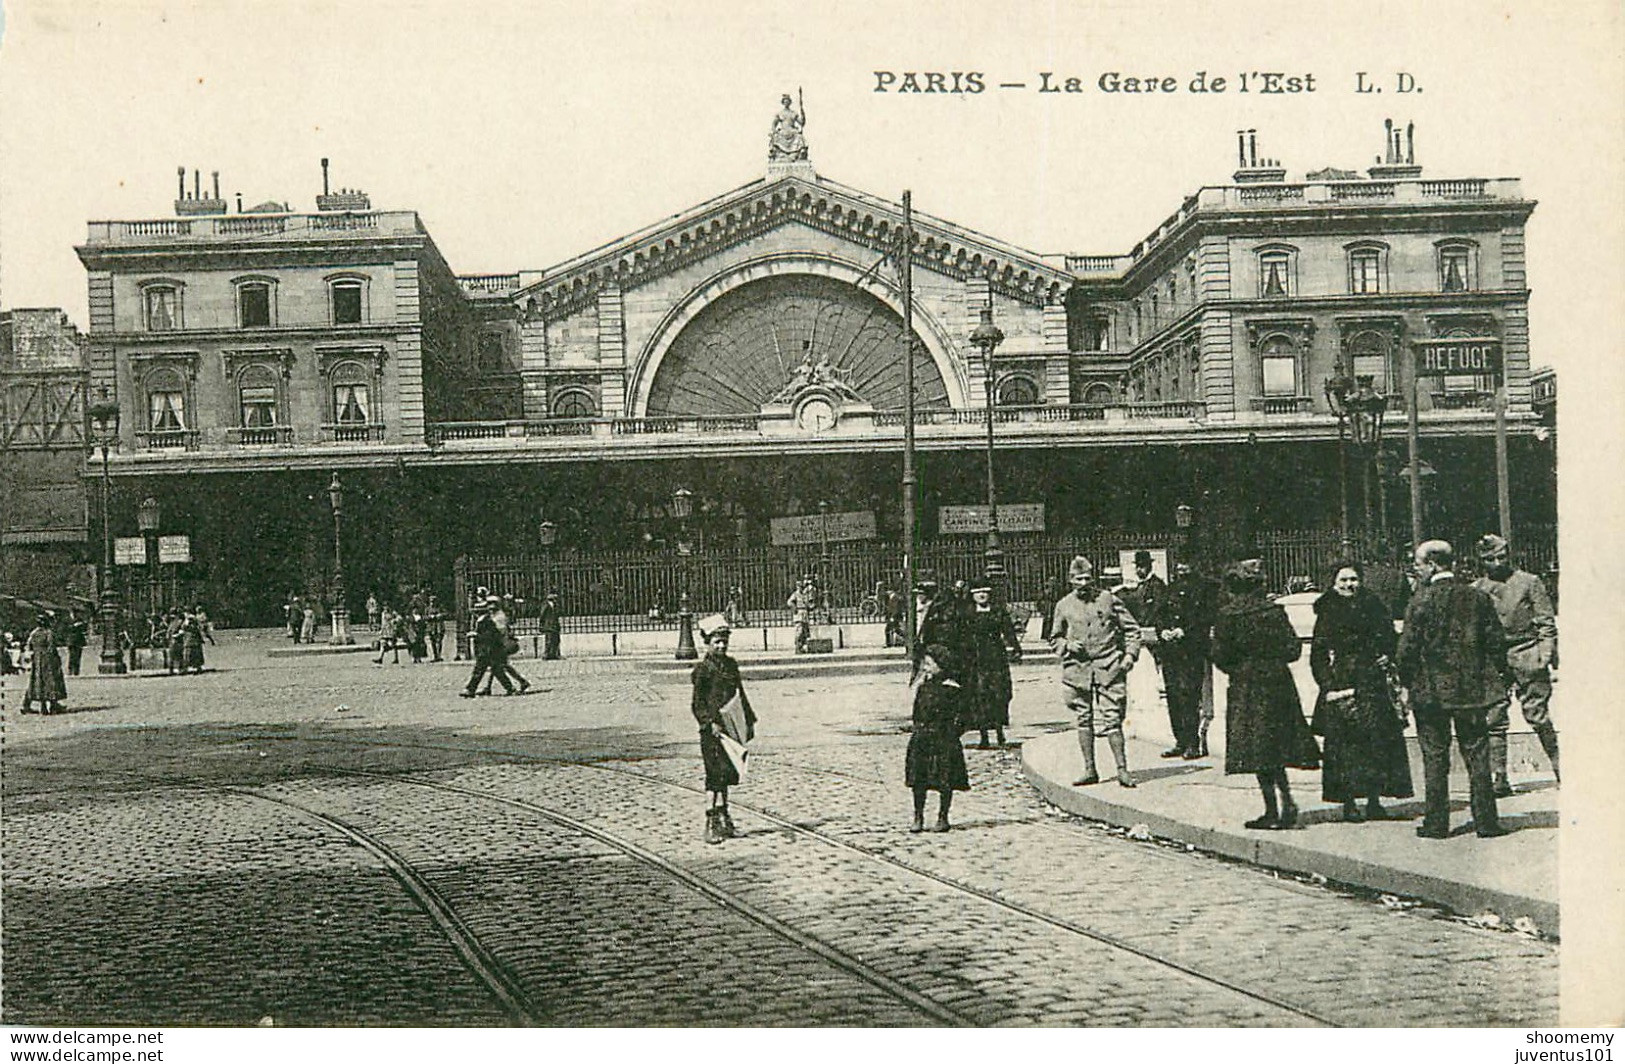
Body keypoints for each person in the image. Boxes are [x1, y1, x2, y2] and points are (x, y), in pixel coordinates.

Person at [1396, 540, 1509, 839]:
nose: (1416, 570)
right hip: (1471, 691)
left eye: (1418, 564)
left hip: (1430, 693)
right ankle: (1486, 822)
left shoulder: (1420, 600)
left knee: (1435, 757)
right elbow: (1496, 643)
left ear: (1433, 564)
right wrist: (1499, 679)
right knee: (1477, 754)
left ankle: (1436, 824)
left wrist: (1406, 683)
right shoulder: (1477, 598)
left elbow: (1406, 650)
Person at [1211, 558, 1320, 830]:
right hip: (1277, 684)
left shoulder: (1228, 615)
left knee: (1258, 749)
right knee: (1277, 745)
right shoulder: (1273, 611)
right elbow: (1293, 649)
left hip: (1246, 687)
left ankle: (1273, 809)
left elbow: (1220, 656)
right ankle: (1286, 800)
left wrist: (1241, 666)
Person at [1310, 562, 1413, 822]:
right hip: (1343, 681)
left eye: (1353, 579)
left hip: (1373, 681)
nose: (1349, 585)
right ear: (1334, 583)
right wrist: (1328, 684)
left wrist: (1387, 656)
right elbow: (1318, 653)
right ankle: (1348, 802)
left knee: (1376, 742)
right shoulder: (1327, 609)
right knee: (1345, 747)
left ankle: (1374, 800)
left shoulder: (1373, 605)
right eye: (1343, 580)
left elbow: (1390, 637)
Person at [1473, 533, 1559, 793]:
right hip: (1495, 659)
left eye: (1501, 557)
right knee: (1494, 717)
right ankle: (1499, 777)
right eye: (1490, 559)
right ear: (1481, 561)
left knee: (1538, 715)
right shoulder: (1477, 589)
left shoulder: (1529, 582)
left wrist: (1544, 653)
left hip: (1527, 652)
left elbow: (1546, 621)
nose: (1497, 563)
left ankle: (1561, 767)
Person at [1049, 555, 1143, 788]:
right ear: (1070, 580)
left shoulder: (1108, 599)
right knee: (1084, 719)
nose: (1083, 583)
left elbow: (1132, 630)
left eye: (1087, 578)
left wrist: (1130, 656)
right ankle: (1090, 769)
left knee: (1113, 719)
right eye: (1078, 579)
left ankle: (1122, 770)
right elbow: (1054, 638)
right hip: (1077, 671)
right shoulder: (1063, 605)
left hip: (1108, 667)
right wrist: (1067, 646)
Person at [690, 617, 756, 843]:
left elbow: (740, 694)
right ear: (707, 643)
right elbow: (697, 703)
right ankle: (710, 821)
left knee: (728, 773)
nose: (721, 646)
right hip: (712, 731)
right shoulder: (703, 670)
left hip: (730, 728)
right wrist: (709, 723)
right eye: (717, 642)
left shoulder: (731, 665)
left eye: (724, 641)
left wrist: (748, 721)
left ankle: (725, 818)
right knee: (714, 775)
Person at [906, 643, 971, 832]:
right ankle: (918, 816)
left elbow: (963, 717)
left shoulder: (953, 689)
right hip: (922, 739)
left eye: (929, 664)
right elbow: (917, 712)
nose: (925, 668)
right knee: (919, 780)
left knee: (945, 780)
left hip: (944, 740)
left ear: (941, 665)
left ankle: (943, 817)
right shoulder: (923, 688)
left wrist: (951, 733)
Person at [1160, 561, 1216, 759]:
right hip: (1171, 651)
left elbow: (1206, 617)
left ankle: (1193, 743)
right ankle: (1180, 741)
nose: (1182, 569)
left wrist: (1185, 631)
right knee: (1173, 696)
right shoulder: (1171, 589)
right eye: (1179, 566)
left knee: (1189, 696)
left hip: (1191, 650)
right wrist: (1163, 630)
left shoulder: (1205, 589)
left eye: (1186, 565)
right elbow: (1159, 614)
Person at [964, 582, 1020, 748]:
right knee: (979, 695)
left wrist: (1015, 647)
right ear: (973, 595)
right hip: (976, 658)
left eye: (985, 592)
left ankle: (1000, 733)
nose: (982, 595)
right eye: (978, 592)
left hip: (996, 657)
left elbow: (1008, 630)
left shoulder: (998, 611)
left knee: (998, 694)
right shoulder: (967, 614)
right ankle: (983, 736)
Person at [461, 597, 515, 697]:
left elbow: (490, 636)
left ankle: (470, 689)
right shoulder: (482, 620)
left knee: (481, 670)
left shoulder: (486, 621)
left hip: (489, 650)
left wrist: (476, 635)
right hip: (486, 649)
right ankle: (509, 687)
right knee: (494, 671)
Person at [23, 614, 67, 714]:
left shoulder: (33, 633)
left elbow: (28, 645)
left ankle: (43, 707)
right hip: (48, 660)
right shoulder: (48, 633)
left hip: (37, 660)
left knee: (39, 682)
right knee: (51, 681)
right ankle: (53, 705)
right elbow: (51, 647)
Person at [768, 92, 808, 161]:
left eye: (788, 101)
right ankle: (776, 153)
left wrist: (803, 113)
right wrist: (775, 131)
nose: (786, 103)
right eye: (785, 101)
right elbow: (774, 124)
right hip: (783, 132)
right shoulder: (780, 113)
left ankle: (800, 153)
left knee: (799, 137)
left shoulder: (793, 113)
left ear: (790, 103)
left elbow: (802, 123)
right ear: (783, 103)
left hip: (792, 131)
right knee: (776, 138)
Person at [787, 577, 817, 653]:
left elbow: (808, 604)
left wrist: (811, 606)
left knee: (806, 632)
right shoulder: (795, 594)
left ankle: (804, 647)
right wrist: (795, 608)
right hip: (799, 614)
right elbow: (789, 602)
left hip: (804, 614)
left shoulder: (805, 595)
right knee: (799, 631)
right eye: (799, 586)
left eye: (801, 586)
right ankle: (798, 646)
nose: (800, 588)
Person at [179, 608, 205, 674]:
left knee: (188, 655)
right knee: (195, 655)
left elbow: (184, 627)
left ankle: (186, 669)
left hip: (189, 640)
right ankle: (198, 668)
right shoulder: (194, 619)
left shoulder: (189, 619)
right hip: (194, 640)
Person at [63, 611, 88, 676]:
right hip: (71, 641)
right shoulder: (66, 620)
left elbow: (84, 628)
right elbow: (65, 629)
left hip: (78, 641)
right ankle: (70, 670)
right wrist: (74, 626)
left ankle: (76, 670)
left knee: (78, 655)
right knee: (72, 656)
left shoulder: (79, 619)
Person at [538, 591, 562, 660]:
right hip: (549, 625)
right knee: (549, 640)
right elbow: (542, 615)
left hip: (554, 625)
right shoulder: (545, 605)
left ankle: (554, 654)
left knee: (556, 640)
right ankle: (546, 655)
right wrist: (542, 625)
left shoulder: (555, 605)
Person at [425, 594, 447, 662]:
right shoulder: (427, 609)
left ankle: (438, 655)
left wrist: (439, 615)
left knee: (439, 640)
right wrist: (430, 617)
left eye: (434, 601)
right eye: (431, 601)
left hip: (439, 626)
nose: (432, 603)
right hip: (431, 627)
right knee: (432, 641)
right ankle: (435, 655)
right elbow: (425, 617)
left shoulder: (440, 607)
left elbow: (445, 613)